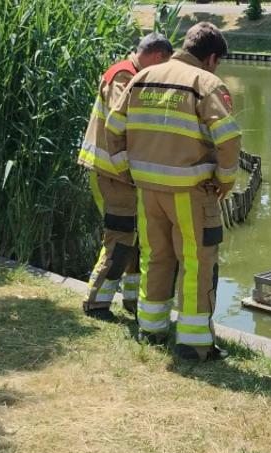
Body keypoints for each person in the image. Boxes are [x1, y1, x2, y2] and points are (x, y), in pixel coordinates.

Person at [105, 22, 240, 361]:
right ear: (211, 58)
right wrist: (225, 181)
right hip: (190, 190)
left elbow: (113, 127)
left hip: (147, 189)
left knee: (156, 256)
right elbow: (228, 138)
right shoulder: (205, 83)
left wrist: (126, 170)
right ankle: (194, 343)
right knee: (197, 261)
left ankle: (151, 329)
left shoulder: (142, 77)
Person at [77, 33, 173, 322]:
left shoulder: (131, 74)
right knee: (120, 238)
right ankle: (95, 303)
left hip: (123, 174)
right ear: (156, 57)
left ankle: (132, 301)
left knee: (136, 237)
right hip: (111, 172)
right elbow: (124, 121)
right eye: (164, 64)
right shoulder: (123, 75)